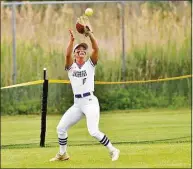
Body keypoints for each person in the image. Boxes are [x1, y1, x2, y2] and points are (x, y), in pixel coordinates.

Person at [50, 28, 120, 162]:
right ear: (75, 54)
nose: (81, 51)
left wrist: (90, 35)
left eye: (83, 50)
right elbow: (66, 56)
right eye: (78, 50)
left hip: (90, 101)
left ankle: (113, 150)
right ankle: (63, 154)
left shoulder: (90, 65)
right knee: (61, 128)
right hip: (77, 104)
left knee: (93, 131)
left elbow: (96, 48)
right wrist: (71, 42)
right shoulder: (71, 67)